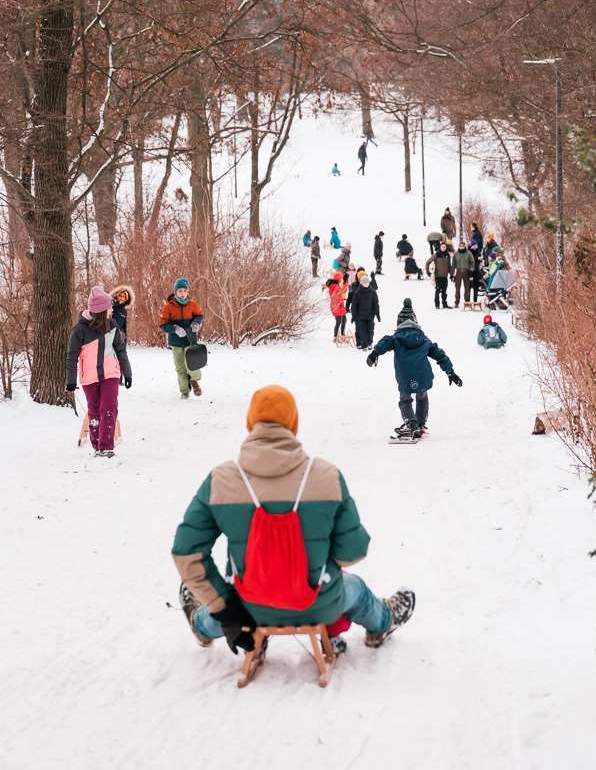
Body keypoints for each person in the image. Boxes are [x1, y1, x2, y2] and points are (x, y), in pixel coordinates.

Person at [173, 385, 415, 655]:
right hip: (320, 603)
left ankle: (201, 624)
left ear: (250, 423)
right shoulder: (326, 476)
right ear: (294, 424)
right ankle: (383, 622)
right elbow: (353, 551)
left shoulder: (221, 479)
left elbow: (187, 552)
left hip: (249, 608)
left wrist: (225, 609)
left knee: (225, 603)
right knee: (355, 586)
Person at [367, 299, 462, 438]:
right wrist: (450, 372)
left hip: (405, 375)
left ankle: (411, 423)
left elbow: (384, 342)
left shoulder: (395, 338)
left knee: (405, 400)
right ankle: (421, 423)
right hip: (423, 374)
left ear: (399, 324)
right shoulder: (424, 340)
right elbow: (439, 354)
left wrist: (375, 352)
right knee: (422, 397)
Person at [66, 285, 132, 457]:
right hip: (89, 376)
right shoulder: (80, 330)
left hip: (110, 373)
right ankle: (97, 447)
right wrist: (71, 381)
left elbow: (121, 350)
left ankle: (106, 447)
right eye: (109, 307)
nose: (112, 310)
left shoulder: (113, 325)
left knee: (109, 407)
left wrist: (128, 373)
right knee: (94, 410)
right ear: (101, 310)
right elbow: (72, 356)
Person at [159, 277, 204, 399]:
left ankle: (194, 382)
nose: (182, 293)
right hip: (176, 342)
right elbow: (162, 324)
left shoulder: (193, 304)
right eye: (180, 291)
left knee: (193, 364)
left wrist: (196, 322)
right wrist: (174, 329)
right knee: (180, 367)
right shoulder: (168, 307)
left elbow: (200, 315)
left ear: (187, 291)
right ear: (175, 292)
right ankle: (184, 391)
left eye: (184, 290)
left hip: (190, 339)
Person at [351, 273, 381, 351]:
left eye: (367, 282)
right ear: (361, 283)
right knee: (361, 330)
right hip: (360, 316)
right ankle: (363, 344)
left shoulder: (373, 292)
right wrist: (353, 316)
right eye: (365, 282)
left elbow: (376, 304)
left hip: (370, 315)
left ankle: (369, 342)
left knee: (370, 330)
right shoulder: (357, 293)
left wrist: (377, 314)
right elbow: (354, 305)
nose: (366, 284)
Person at [425, 241, 454, 308]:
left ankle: (444, 304)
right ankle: (437, 304)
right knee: (438, 291)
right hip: (438, 276)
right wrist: (428, 271)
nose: (443, 248)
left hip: (445, 276)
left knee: (444, 291)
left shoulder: (447, 255)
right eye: (442, 246)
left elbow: (449, 266)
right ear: (440, 247)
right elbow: (428, 262)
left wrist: (452, 274)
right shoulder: (436, 254)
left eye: (444, 247)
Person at [452, 241, 475, 307]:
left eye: (463, 246)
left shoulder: (468, 253)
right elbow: (453, 264)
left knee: (467, 288)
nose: (461, 247)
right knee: (457, 288)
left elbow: (472, 262)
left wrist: (471, 270)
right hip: (458, 272)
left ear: (465, 246)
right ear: (459, 247)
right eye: (460, 246)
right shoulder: (456, 254)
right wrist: (453, 273)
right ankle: (456, 302)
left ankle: (467, 302)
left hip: (466, 272)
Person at [326, 272, 347, 340]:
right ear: (338, 278)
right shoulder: (334, 286)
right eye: (340, 278)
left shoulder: (336, 285)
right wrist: (345, 283)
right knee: (338, 322)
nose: (341, 279)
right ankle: (336, 337)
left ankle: (342, 335)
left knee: (344, 320)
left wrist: (344, 283)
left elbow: (343, 291)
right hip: (336, 306)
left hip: (340, 306)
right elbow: (342, 291)